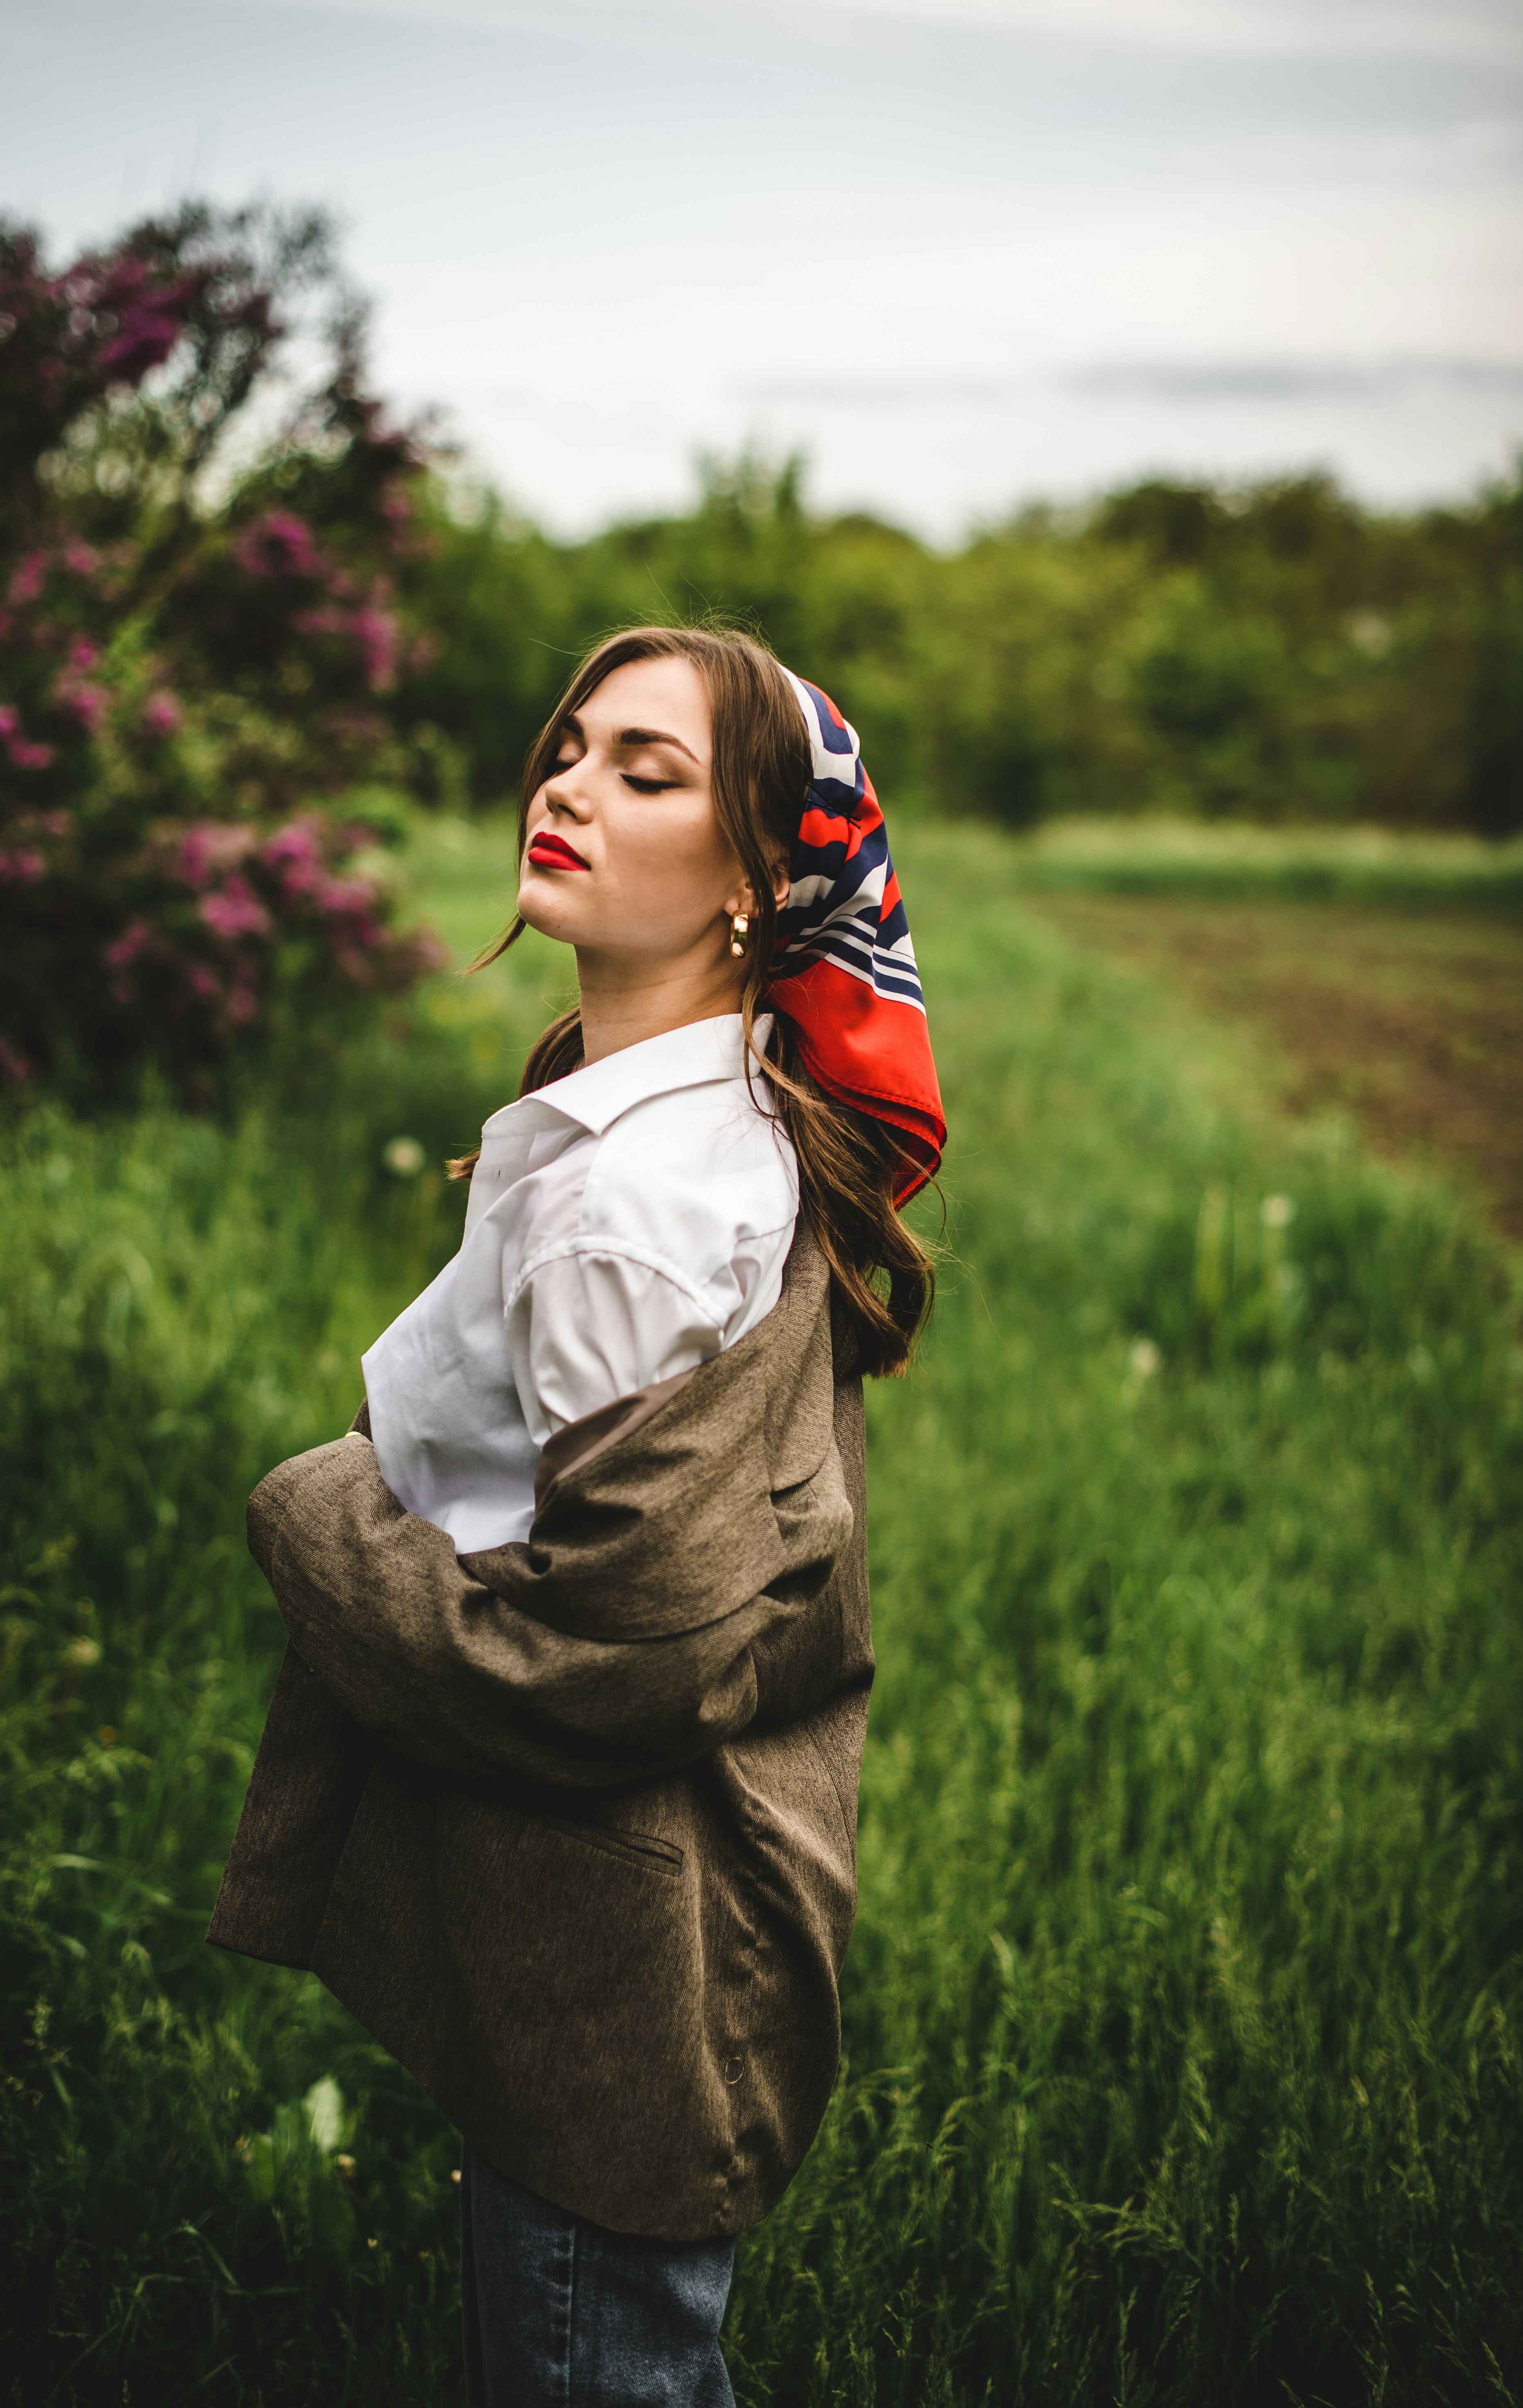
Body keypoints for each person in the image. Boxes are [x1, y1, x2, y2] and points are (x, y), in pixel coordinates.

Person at [208, 626, 946, 2405]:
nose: (569, 786)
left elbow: (605, 1654)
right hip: (622, 1909)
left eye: (647, 769)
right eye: (570, 747)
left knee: (593, 2362)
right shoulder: (682, 1123)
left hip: (631, 1948)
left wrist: (315, 1514)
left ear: (762, 878)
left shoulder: (639, 1198)